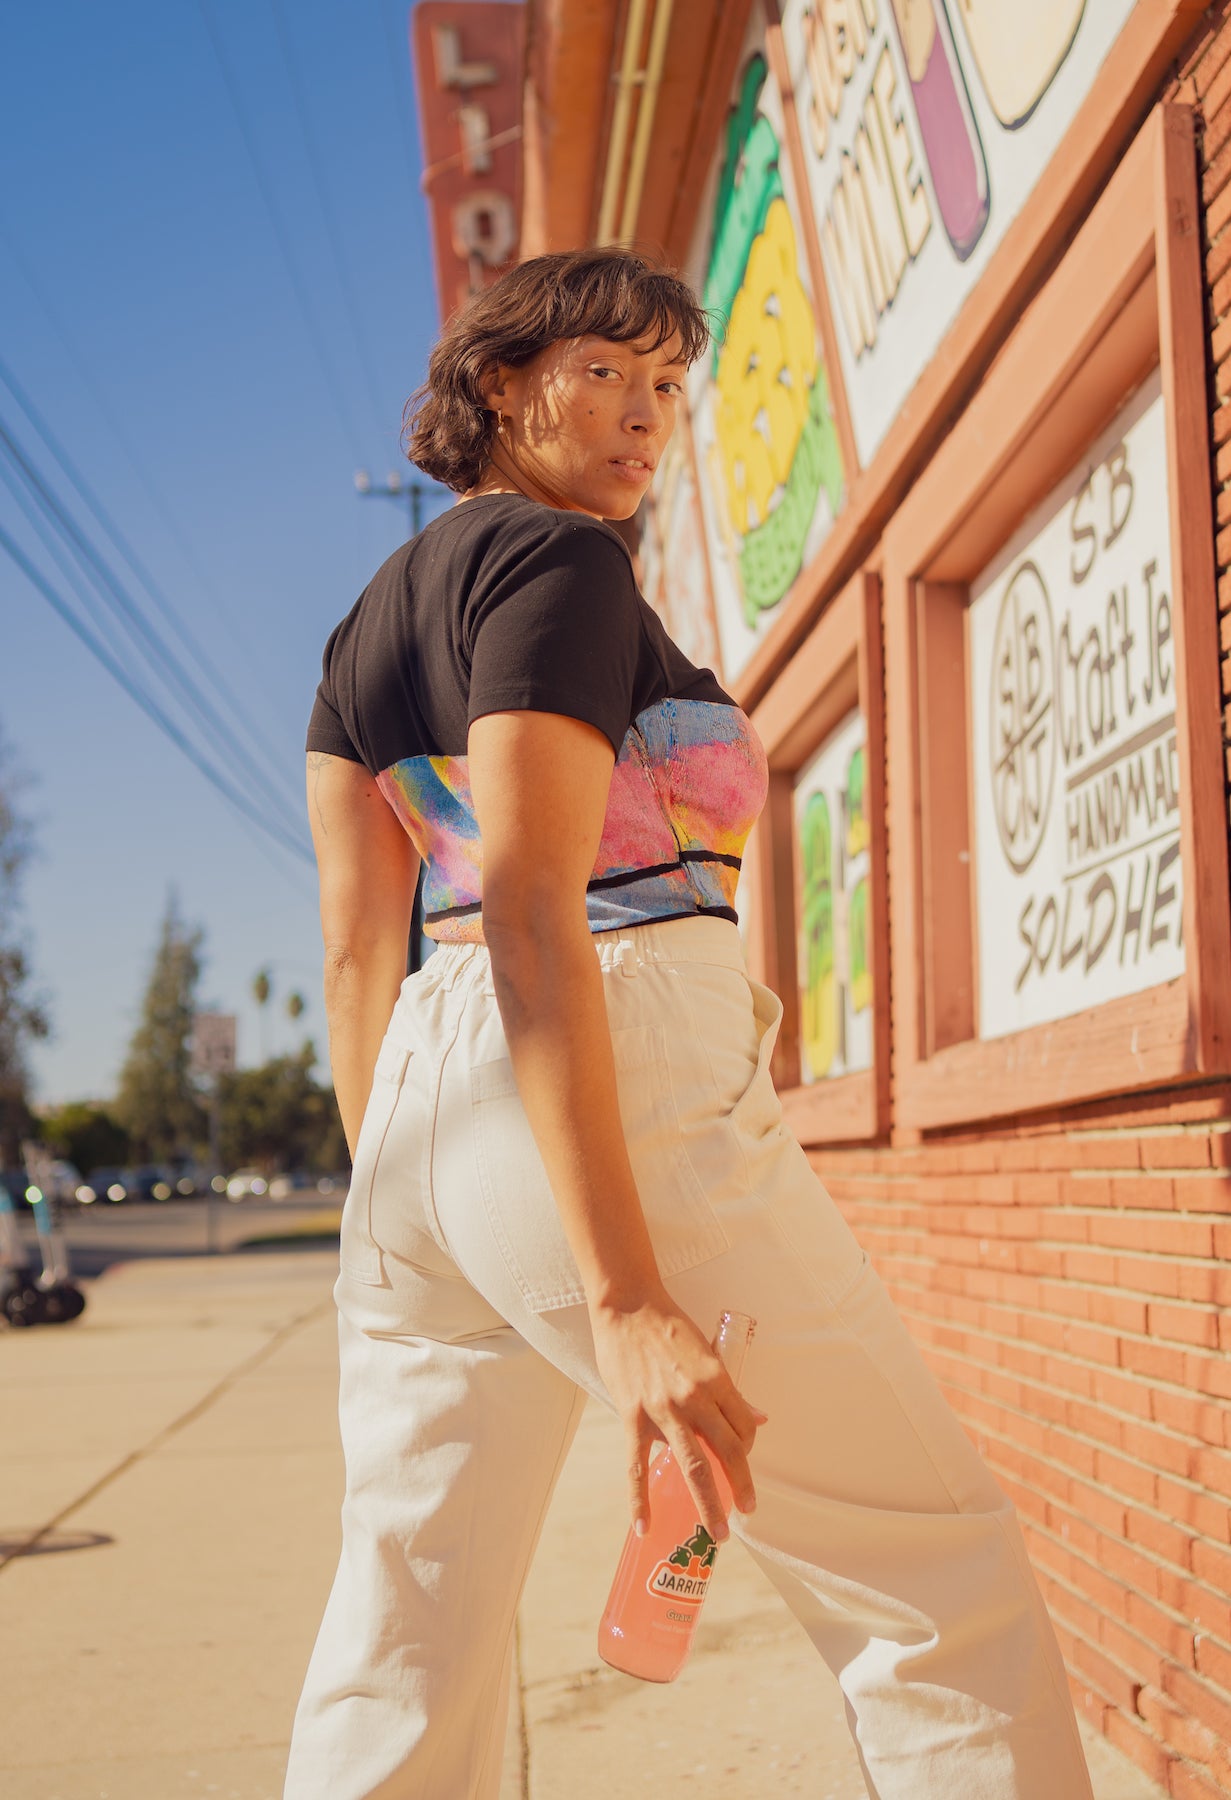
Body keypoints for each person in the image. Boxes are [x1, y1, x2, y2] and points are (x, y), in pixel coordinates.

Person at [285, 247, 1094, 1800]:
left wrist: (409, 1216)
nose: (645, 415)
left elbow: (349, 952)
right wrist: (621, 1293)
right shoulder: (560, 567)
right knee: (929, 1576)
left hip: (415, 1134)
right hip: (606, 1060)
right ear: (499, 386)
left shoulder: (354, 640)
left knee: (407, 1623)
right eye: (603, 374)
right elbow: (536, 902)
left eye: (666, 383)